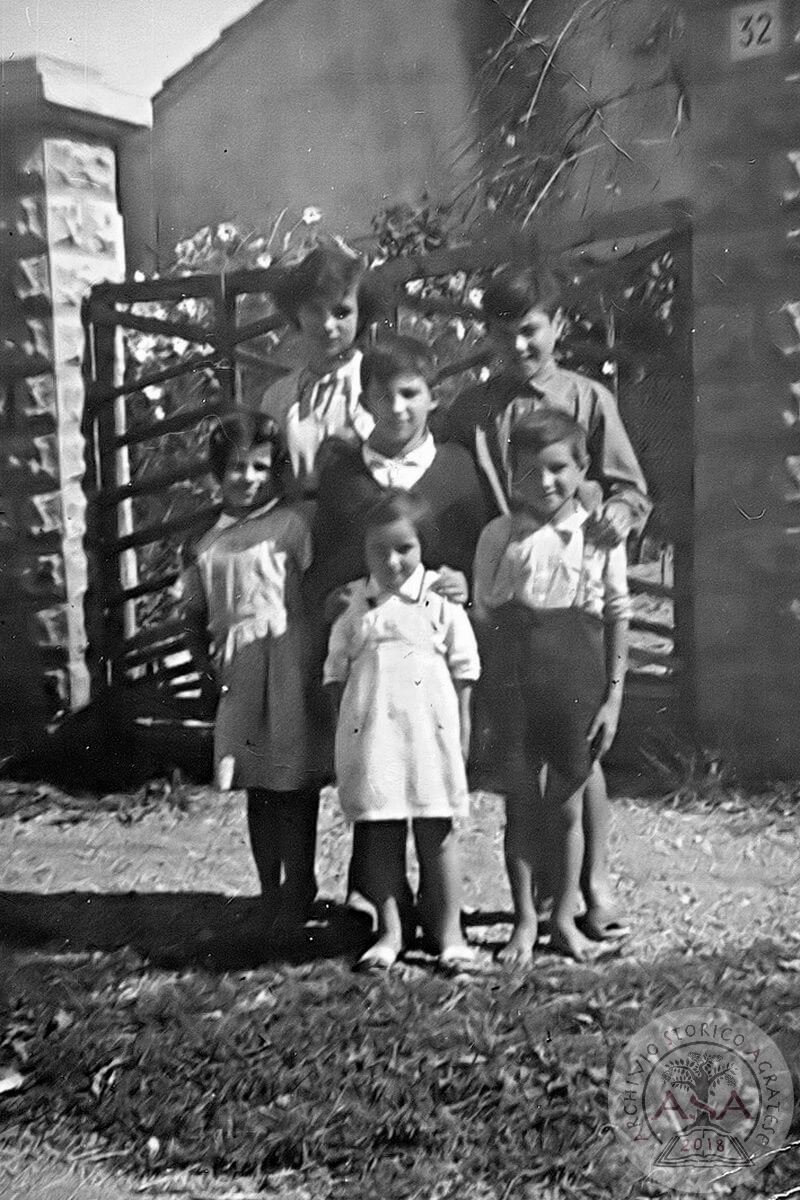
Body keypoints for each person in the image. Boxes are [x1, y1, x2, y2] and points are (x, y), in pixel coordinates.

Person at [305, 334, 488, 929]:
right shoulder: (342, 473)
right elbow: (328, 556)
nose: (398, 409)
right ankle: (377, 899)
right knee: (376, 770)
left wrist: (465, 583)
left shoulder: (457, 468)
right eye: (383, 397)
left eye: (410, 394)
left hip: (430, 642)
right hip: (366, 642)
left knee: (429, 778)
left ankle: (440, 910)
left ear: (433, 397)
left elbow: (476, 548)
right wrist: (331, 595)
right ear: (364, 401)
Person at [472, 412, 631, 964]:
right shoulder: (498, 535)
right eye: (529, 471)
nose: (544, 483)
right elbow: (484, 608)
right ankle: (522, 921)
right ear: (510, 475)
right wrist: (516, 567)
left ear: (583, 468)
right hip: (516, 682)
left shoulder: (598, 534)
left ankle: (564, 918)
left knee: (567, 805)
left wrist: (612, 698)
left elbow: (616, 615)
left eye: (558, 469)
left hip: (576, 683)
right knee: (520, 807)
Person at [324, 491, 481, 972]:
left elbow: (464, 672)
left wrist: (463, 735)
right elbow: (336, 673)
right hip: (374, 741)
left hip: (429, 741)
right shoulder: (357, 603)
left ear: (423, 547)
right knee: (381, 835)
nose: (392, 561)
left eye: (404, 549)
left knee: (437, 833)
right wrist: (347, 735)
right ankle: (392, 930)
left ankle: (450, 933)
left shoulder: (440, 600)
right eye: (380, 551)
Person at [180, 411, 321, 944]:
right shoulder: (205, 541)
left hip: (287, 660)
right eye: (236, 467)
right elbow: (193, 612)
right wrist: (202, 667)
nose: (247, 477)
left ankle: (300, 888)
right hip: (237, 670)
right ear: (218, 473)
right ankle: (268, 889)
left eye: (259, 467)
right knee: (255, 785)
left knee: (293, 781)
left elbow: (307, 594)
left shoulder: (289, 526)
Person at [444, 265, 651, 543]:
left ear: (558, 325)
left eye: (529, 331)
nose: (518, 345)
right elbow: (444, 490)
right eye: (504, 335)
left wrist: (621, 511)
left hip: (571, 562)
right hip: (497, 564)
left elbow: (628, 490)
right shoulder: (470, 409)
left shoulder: (588, 399)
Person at [262, 241, 382, 494]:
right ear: (296, 313)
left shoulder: (378, 382)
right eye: (315, 310)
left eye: (341, 312)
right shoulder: (279, 397)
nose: (328, 325)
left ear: (360, 315)